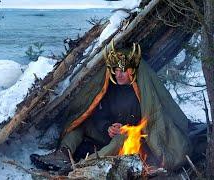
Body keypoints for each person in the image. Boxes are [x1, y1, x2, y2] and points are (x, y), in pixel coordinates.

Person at [30, 42, 191, 173]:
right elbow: (99, 114)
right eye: (116, 70)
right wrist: (108, 127)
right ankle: (62, 155)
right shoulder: (110, 88)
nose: (118, 75)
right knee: (82, 123)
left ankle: (80, 166)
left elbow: (153, 123)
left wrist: (128, 129)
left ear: (133, 71)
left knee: (123, 138)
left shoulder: (143, 92)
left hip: (135, 141)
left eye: (123, 71)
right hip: (110, 136)